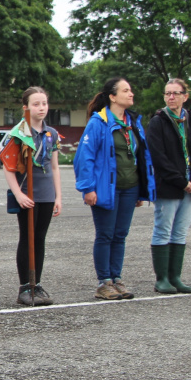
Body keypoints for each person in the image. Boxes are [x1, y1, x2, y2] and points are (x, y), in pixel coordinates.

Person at [74, 77, 155, 301]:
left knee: (120, 235)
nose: (131, 94)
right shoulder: (98, 122)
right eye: (126, 91)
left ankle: (117, 279)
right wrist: (88, 188)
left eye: (131, 90)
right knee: (105, 234)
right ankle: (104, 282)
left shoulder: (133, 122)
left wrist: (141, 190)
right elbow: (84, 158)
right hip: (105, 189)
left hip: (130, 188)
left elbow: (141, 155)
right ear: (112, 96)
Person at [147, 79, 191, 294]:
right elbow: (159, 158)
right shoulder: (158, 122)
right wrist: (182, 183)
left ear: (185, 96)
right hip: (170, 187)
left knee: (180, 232)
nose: (171, 97)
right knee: (163, 230)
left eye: (176, 93)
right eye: (167, 93)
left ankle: (175, 277)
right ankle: (162, 278)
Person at [3, 87, 63, 306]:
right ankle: (24, 287)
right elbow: (8, 167)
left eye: (44, 103)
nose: (41, 108)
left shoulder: (52, 134)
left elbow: (55, 167)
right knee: (27, 238)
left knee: (40, 238)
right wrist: (18, 194)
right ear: (25, 107)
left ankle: (36, 284)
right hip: (27, 195)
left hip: (46, 194)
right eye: (36, 104)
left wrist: (58, 196)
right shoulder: (19, 133)